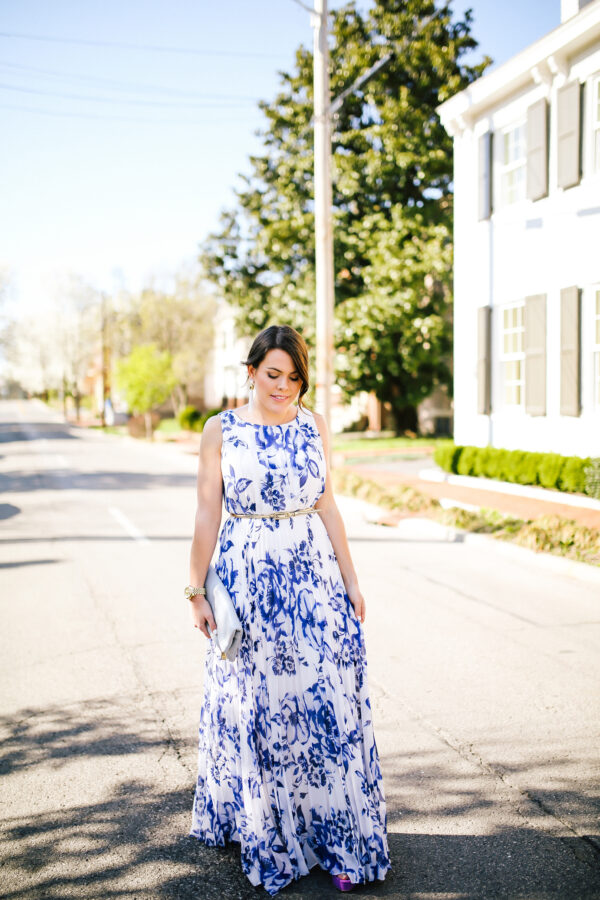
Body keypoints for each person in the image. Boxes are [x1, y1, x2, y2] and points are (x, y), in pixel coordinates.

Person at [187, 324, 390, 896]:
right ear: (250, 372)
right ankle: (270, 832)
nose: (284, 387)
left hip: (315, 581)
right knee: (263, 711)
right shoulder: (219, 431)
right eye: (273, 374)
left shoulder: (313, 426)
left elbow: (327, 503)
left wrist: (352, 580)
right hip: (248, 583)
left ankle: (340, 838)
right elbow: (207, 514)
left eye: (295, 377)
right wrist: (195, 590)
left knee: (326, 710)